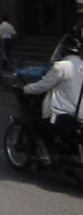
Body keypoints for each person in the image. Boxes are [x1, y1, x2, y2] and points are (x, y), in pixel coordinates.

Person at [22, 35, 83, 164]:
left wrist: (26, 89)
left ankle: (45, 154)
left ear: (64, 50)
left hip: (62, 115)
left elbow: (43, 86)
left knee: (32, 121)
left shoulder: (61, 67)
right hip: (79, 116)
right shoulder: (79, 67)